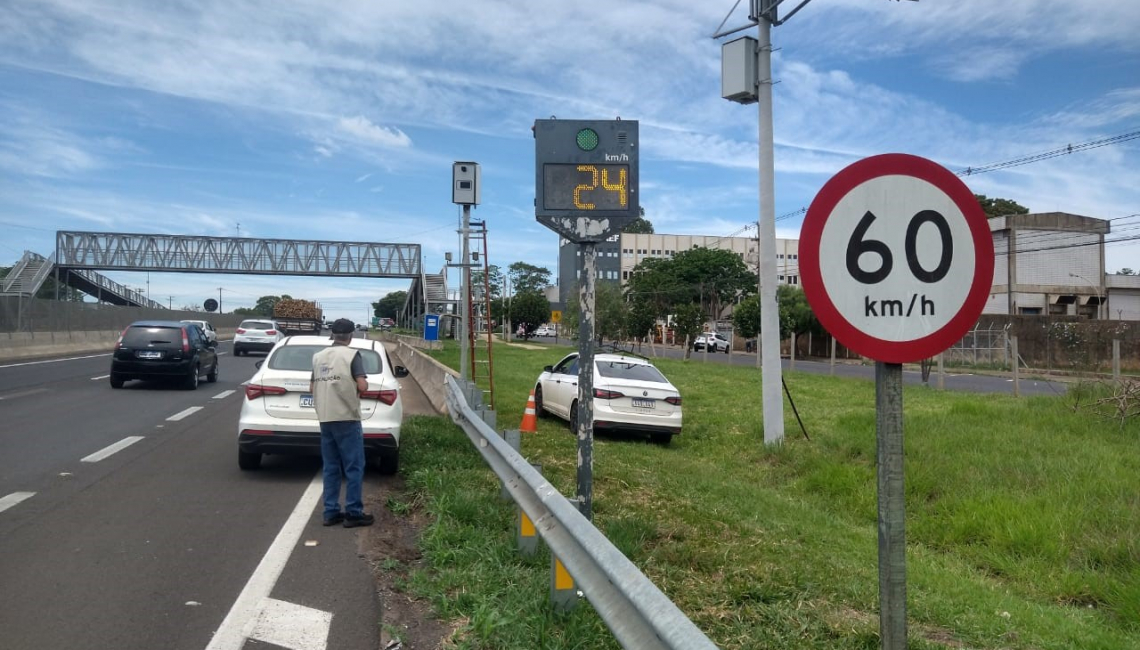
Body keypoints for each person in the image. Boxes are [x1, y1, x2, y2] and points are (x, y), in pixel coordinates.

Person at [310, 318, 374, 528]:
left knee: (330, 466)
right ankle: (354, 512)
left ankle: (330, 512)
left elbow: (312, 388)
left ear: (332, 334)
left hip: (325, 418)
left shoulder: (318, 357)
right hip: (346, 416)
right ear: (351, 335)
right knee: (354, 466)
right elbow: (363, 386)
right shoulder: (352, 355)